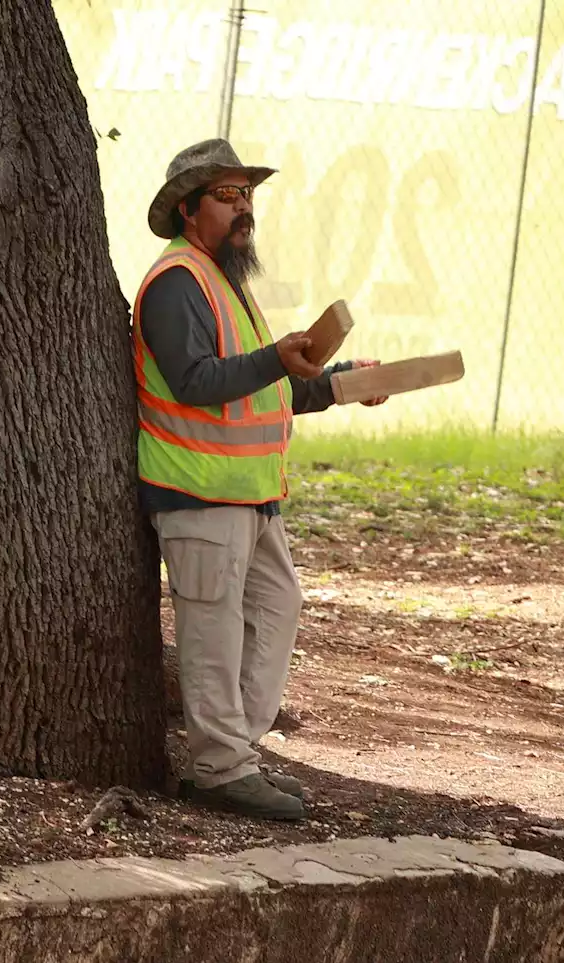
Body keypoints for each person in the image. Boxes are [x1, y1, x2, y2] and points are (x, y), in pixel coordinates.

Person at [134, 139, 387, 821]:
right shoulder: (177, 282)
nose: (244, 207)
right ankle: (219, 767)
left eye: (248, 194)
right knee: (213, 631)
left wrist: (341, 383)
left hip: (248, 497)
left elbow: (271, 389)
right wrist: (278, 359)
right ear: (189, 209)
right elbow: (196, 382)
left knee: (279, 604)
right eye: (227, 195)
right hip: (198, 494)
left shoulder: (225, 282)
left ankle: (232, 754)